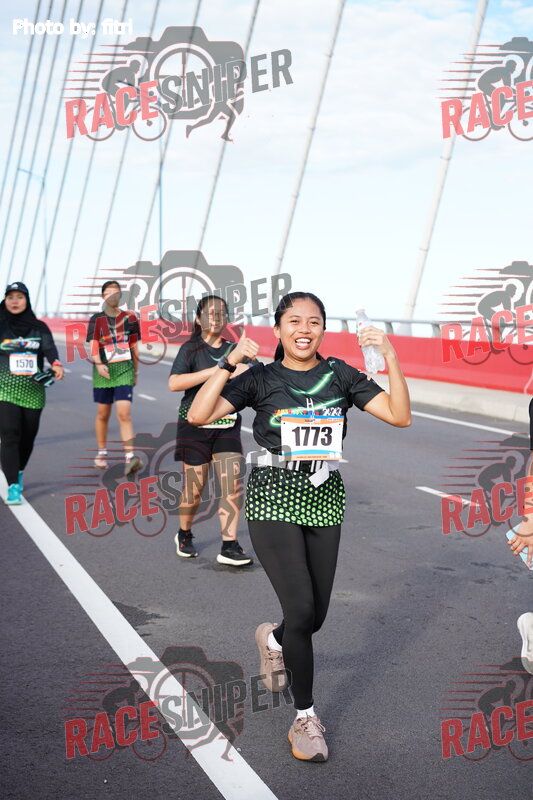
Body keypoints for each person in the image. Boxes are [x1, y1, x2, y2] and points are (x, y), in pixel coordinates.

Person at [187, 291, 411, 761]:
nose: (304, 329)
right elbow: (199, 414)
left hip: (324, 496)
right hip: (273, 494)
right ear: (279, 329)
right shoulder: (260, 378)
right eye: (294, 321)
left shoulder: (341, 375)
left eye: (313, 322)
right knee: (302, 609)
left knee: (314, 617)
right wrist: (229, 362)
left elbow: (399, 416)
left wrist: (389, 355)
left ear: (323, 329)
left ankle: (273, 638)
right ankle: (305, 718)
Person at [168, 294, 253, 566]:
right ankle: (184, 532)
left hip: (227, 425)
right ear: (198, 319)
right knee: (195, 489)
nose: (216, 318)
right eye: (210, 313)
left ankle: (229, 544)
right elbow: (174, 383)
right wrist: (220, 369)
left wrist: (247, 365)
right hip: (194, 426)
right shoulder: (190, 349)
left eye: (221, 313)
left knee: (232, 485)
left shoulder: (234, 348)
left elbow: (252, 375)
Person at [0, 281, 64, 504]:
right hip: (5, 389)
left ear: (26, 300)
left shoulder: (39, 327)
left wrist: (56, 364)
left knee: (27, 438)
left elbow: (50, 349)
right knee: (9, 434)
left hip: (33, 391)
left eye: (20, 297)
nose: (15, 301)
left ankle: (19, 471)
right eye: (10, 297)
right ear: (5, 300)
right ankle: (12, 485)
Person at [86, 281, 142, 476]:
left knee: (124, 413)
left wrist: (136, 372)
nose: (112, 295)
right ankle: (102, 453)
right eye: (108, 292)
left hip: (124, 370)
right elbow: (93, 345)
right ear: (103, 296)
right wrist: (98, 364)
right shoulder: (96, 319)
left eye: (116, 292)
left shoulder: (130, 318)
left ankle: (130, 457)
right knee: (103, 414)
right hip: (103, 372)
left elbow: (134, 347)